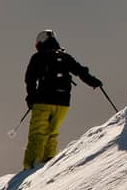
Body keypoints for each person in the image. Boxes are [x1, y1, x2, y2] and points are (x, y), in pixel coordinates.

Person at [23, 30, 101, 170]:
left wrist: (31, 98)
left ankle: (30, 168)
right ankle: (47, 162)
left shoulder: (38, 57)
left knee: (37, 135)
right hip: (63, 102)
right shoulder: (65, 57)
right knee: (52, 133)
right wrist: (94, 82)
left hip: (43, 101)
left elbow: (30, 79)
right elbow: (80, 71)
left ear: (40, 43)